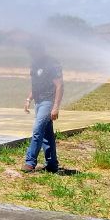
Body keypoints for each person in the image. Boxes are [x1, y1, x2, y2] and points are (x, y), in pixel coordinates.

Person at [22, 41, 64, 173]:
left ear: (40, 50)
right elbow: (36, 85)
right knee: (47, 134)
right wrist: (29, 99)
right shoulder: (34, 65)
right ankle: (52, 164)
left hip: (48, 102)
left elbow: (59, 86)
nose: (31, 54)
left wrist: (55, 107)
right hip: (38, 102)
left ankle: (30, 162)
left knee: (37, 130)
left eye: (33, 51)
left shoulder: (52, 64)